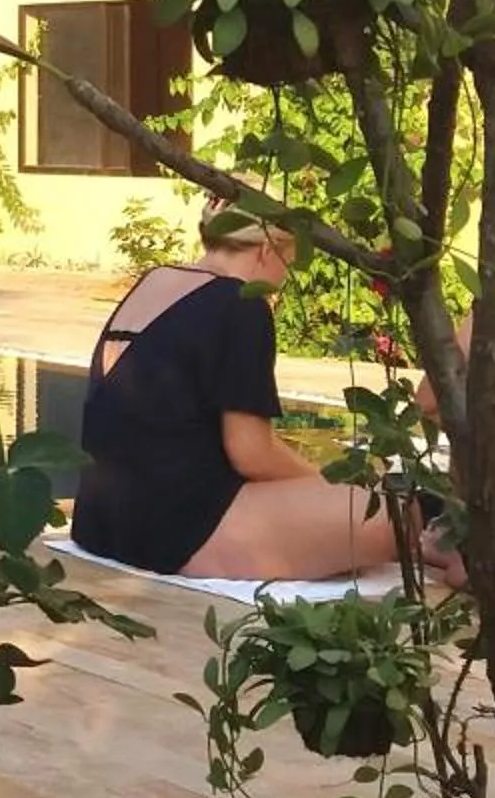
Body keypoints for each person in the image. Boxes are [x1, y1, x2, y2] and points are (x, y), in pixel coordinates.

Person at [70, 207, 396, 579]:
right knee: (382, 508)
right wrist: (321, 480)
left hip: (100, 519)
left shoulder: (156, 279)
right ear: (266, 251)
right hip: (174, 532)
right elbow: (251, 453)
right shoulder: (242, 302)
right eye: (287, 265)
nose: (282, 283)